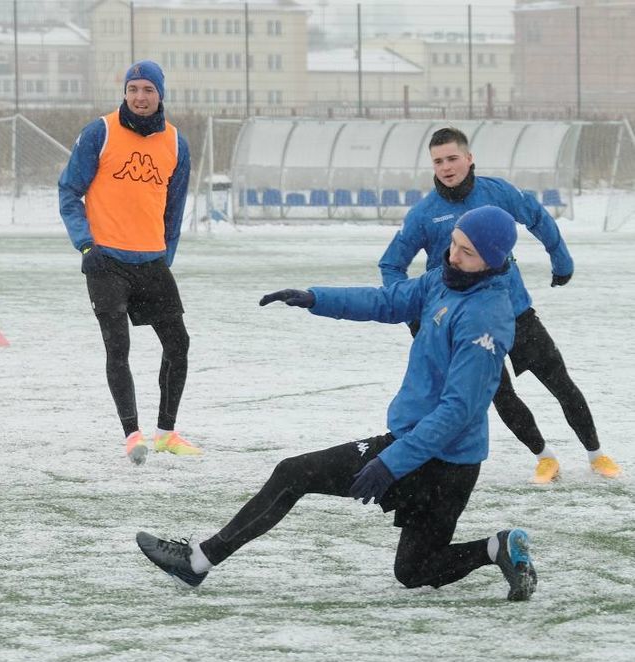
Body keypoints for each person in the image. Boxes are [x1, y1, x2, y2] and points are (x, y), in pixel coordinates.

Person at [138, 207, 538, 603]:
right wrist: (315, 298)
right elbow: (386, 301)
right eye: (454, 244)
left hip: (436, 459)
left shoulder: (484, 319)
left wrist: (390, 463)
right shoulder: (444, 280)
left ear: (494, 259)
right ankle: (496, 548)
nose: (454, 256)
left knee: (293, 473)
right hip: (440, 458)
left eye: (467, 252)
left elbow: (457, 413)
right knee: (414, 569)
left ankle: (198, 561)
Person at [380, 126, 620, 484]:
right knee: (500, 396)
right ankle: (544, 457)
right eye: (438, 161)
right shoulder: (424, 214)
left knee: (561, 383)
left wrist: (561, 260)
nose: (446, 167)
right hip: (467, 324)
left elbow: (537, 217)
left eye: (452, 158)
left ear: (469, 157)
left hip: (516, 312)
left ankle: (596, 454)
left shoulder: (498, 193)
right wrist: (410, 307)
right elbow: (391, 264)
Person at [58, 60, 199, 465]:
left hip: (152, 262)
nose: (140, 97)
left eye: (147, 90)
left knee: (178, 344)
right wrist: (86, 246)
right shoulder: (99, 132)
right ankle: (131, 433)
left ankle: (166, 433)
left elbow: (174, 210)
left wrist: (165, 256)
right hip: (107, 263)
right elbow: (69, 191)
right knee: (118, 347)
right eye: (133, 89)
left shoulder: (176, 144)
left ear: (160, 95)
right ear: (124, 92)